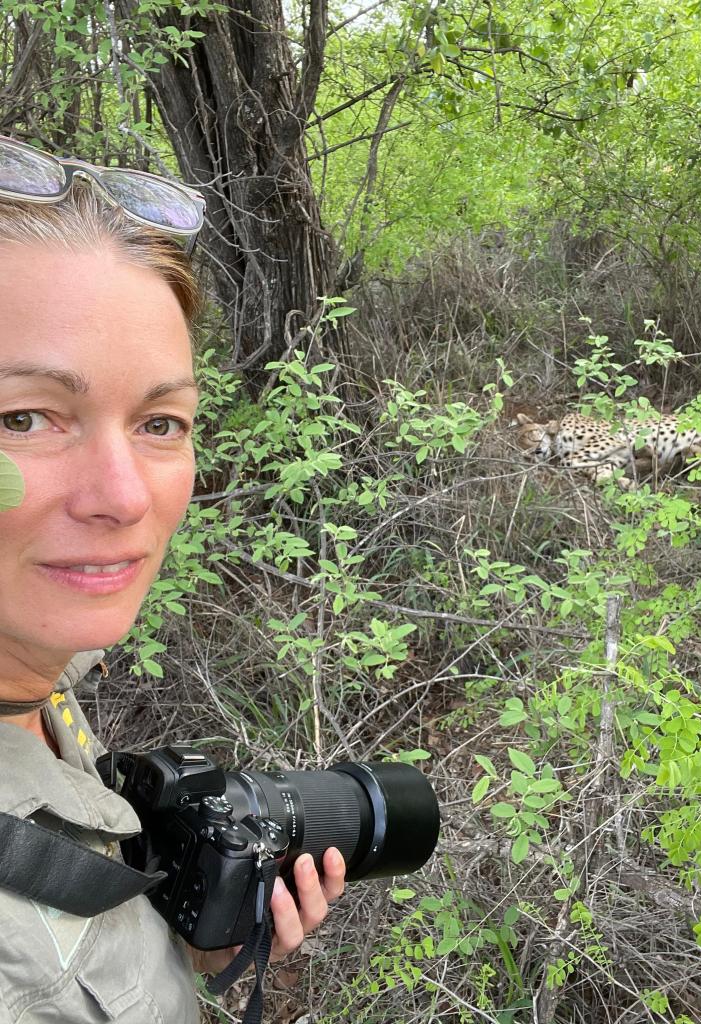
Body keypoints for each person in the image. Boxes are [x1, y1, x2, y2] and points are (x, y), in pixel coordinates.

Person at [0, 135, 346, 1023]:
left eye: (161, 423)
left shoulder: (38, 668)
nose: (123, 497)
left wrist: (174, 944)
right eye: (27, 416)